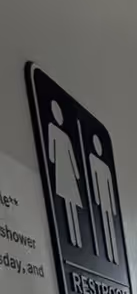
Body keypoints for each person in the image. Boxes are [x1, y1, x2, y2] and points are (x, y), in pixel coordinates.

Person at [47, 99, 83, 248]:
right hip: (63, 171)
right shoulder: (52, 130)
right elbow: (51, 154)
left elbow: (54, 156)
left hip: (65, 171)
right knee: (68, 204)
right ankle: (74, 240)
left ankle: (77, 240)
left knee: (71, 204)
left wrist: (76, 173)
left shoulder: (61, 134)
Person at [89, 134, 119, 265]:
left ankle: (113, 256)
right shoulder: (92, 161)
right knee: (104, 226)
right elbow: (94, 182)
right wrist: (96, 199)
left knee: (110, 228)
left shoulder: (106, 168)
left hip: (107, 201)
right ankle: (108, 254)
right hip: (101, 202)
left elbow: (109, 186)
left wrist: (113, 207)